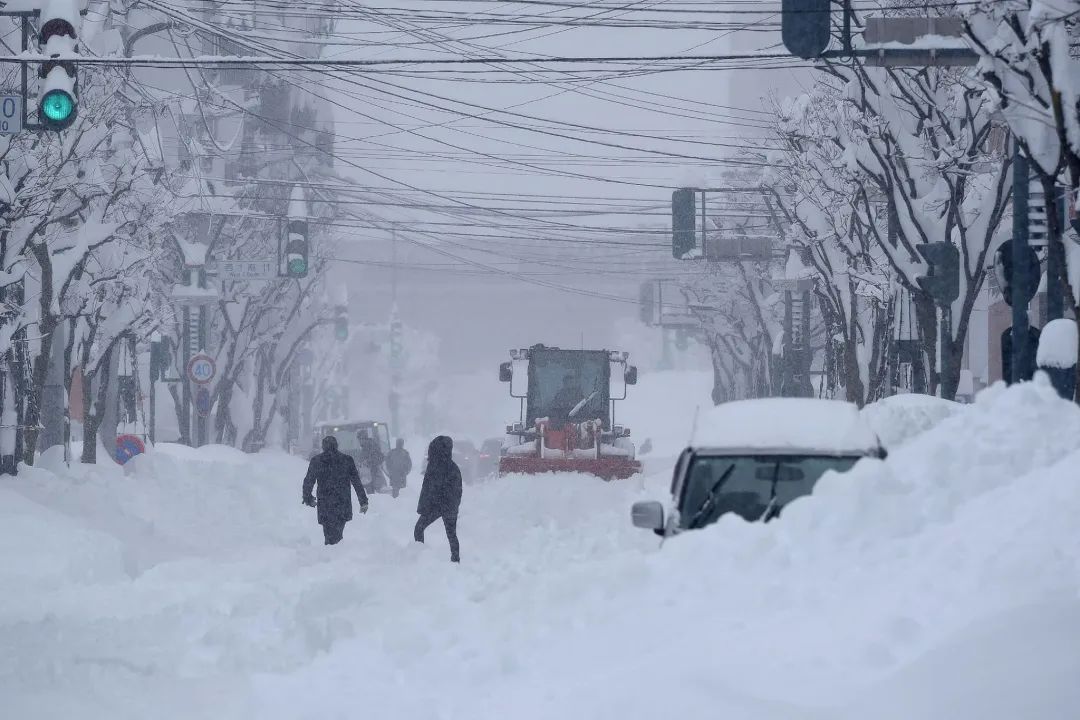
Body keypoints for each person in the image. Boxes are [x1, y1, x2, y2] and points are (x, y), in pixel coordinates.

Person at [303, 435, 369, 545]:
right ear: (337, 446)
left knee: (328, 531)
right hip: (342, 503)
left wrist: (308, 498)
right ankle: (336, 551)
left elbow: (309, 481)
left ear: (323, 446)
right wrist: (363, 502)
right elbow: (357, 482)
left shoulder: (317, 461)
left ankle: (331, 550)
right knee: (338, 531)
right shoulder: (347, 460)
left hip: (325, 503)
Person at [414, 435, 462, 562]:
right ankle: (455, 560)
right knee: (451, 534)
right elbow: (457, 492)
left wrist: (426, 507)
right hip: (445, 506)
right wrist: (452, 507)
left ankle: (420, 558)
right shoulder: (452, 467)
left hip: (436, 506)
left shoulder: (436, 466)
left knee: (419, 529)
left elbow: (429, 490)